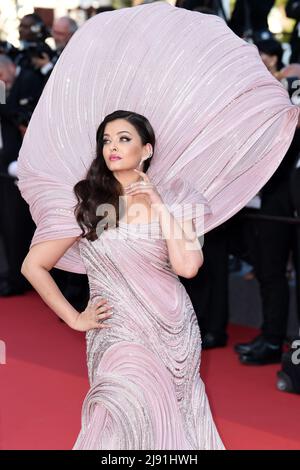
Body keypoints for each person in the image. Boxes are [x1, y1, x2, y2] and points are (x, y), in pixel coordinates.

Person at [21, 110, 225, 450]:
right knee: (122, 415)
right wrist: (74, 317)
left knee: (174, 420)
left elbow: (188, 267)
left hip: (172, 330)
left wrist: (159, 206)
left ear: (146, 150)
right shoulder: (88, 201)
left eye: (124, 139)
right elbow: (33, 266)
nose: (112, 147)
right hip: (117, 332)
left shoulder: (177, 198)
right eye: (106, 140)